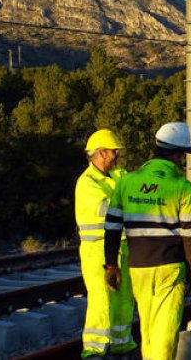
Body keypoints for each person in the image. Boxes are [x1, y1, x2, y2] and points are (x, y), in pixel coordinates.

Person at [103, 123, 191, 360]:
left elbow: (112, 228)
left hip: (138, 267)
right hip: (169, 267)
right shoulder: (182, 186)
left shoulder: (127, 182)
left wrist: (111, 265)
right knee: (164, 334)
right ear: (178, 154)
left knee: (147, 330)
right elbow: (190, 235)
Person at [75, 129, 137, 358]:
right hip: (97, 253)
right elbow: (109, 210)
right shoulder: (87, 183)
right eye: (113, 151)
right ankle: (93, 350)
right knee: (101, 301)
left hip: (121, 250)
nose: (117, 155)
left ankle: (122, 344)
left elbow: (135, 193)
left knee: (123, 299)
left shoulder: (119, 175)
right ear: (101, 153)